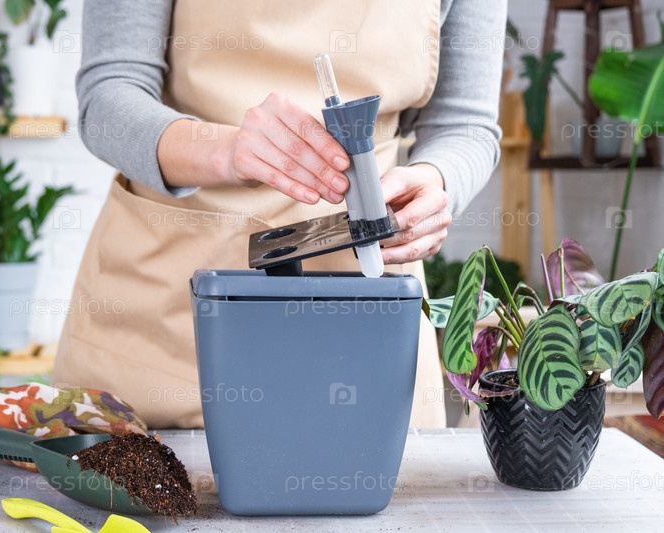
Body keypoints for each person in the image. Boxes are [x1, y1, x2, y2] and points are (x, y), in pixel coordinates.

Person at [52, 0, 507, 428]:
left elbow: (464, 124)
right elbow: (108, 97)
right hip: (167, 321)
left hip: (365, 321)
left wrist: (434, 179)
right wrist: (224, 149)